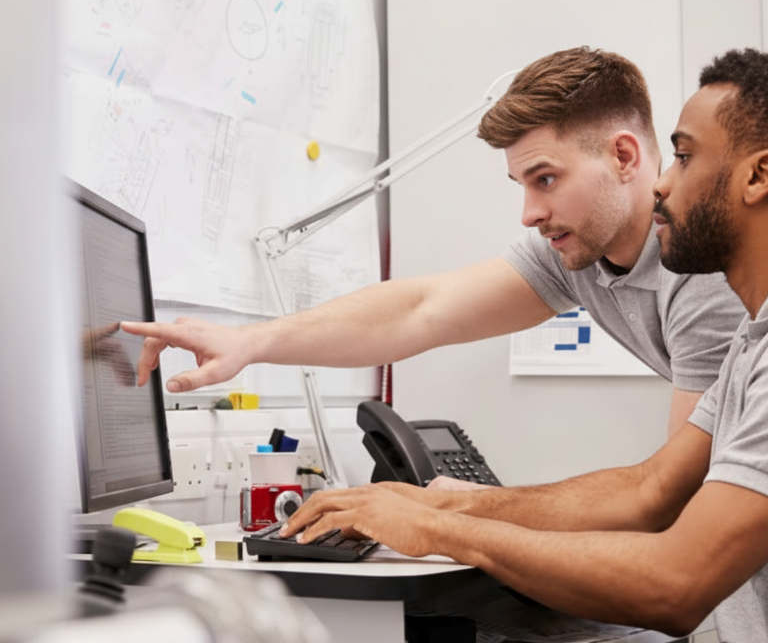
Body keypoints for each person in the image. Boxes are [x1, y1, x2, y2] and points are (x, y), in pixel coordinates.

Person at [278, 48, 768, 643]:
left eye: (681, 155)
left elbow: (676, 585)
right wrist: (444, 502)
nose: (664, 183)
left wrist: (445, 530)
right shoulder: (754, 342)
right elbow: (649, 488)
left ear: (756, 176)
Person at [123, 48, 745, 440]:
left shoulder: (700, 272)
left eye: (546, 179)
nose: (530, 213)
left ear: (623, 156)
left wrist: (465, 514)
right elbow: (421, 310)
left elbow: (673, 496)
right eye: (521, 185)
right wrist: (248, 343)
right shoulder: (577, 251)